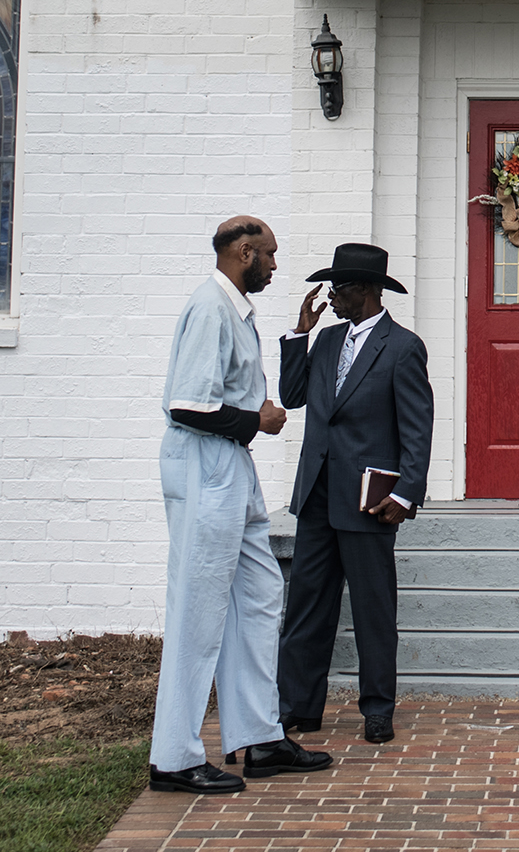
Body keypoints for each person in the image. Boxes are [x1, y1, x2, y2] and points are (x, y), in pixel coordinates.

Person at [148, 216, 333, 794]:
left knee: (258, 594)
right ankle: (173, 758)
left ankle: (259, 737)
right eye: (271, 256)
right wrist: (258, 419)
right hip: (205, 465)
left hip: (233, 466)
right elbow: (186, 406)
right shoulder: (210, 307)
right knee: (200, 609)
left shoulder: (236, 312)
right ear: (244, 252)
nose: (276, 266)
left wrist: (254, 417)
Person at [277, 242, 434, 746]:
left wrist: (407, 494)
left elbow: (417, 428)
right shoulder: (323, 342)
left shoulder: (403, 347)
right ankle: (298, 707)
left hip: (368, 500)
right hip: (318, 496)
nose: (330, 297)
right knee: (306, 607)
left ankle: (377, 709)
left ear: (364, 290)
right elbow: (292, 396)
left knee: (372, 609)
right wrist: (298, 336)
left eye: (338, 288)